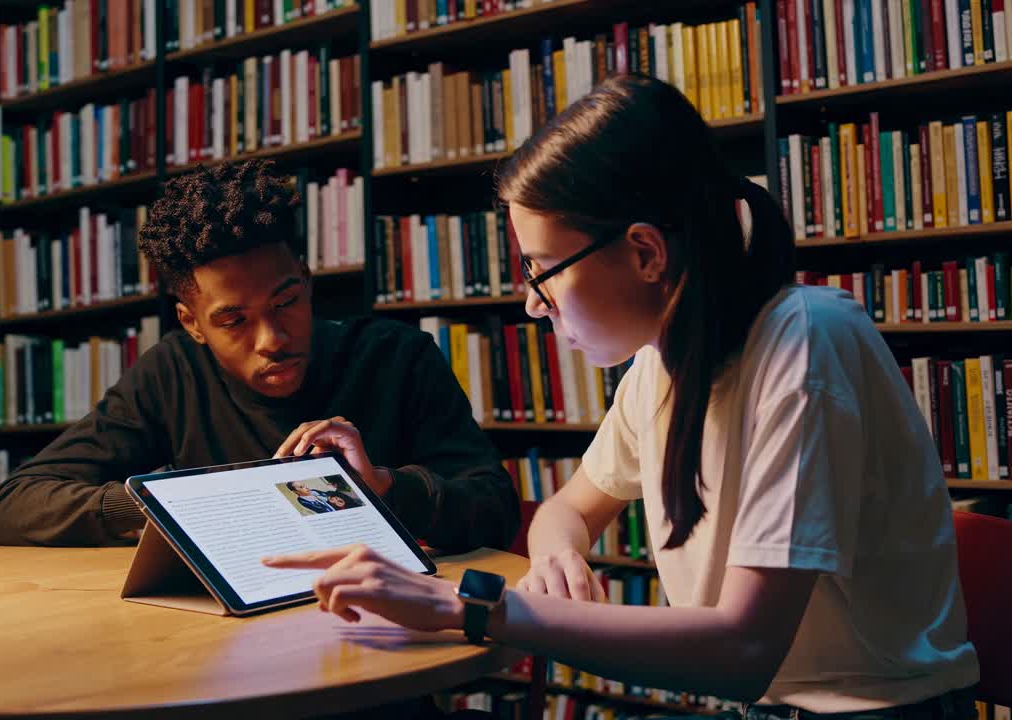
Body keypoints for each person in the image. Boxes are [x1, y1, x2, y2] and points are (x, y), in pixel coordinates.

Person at [263, 74, 980, 719]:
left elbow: (743, 648)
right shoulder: (661, 366)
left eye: (543, 270)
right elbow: (569, 509)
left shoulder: (804, 342)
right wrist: (557, 555)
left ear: (644, 253)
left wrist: (470, 608)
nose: (532, 305)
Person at [0, 159, 520, 555]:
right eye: (234, 320)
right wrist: (167, 508)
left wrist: (381, 484)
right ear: (192, 323)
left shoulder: (397, 357)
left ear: (307, 282)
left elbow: (495, 509)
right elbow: (12, 505)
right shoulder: (172, 373)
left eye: (286, 302)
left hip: (381, 642)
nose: (271, 339)